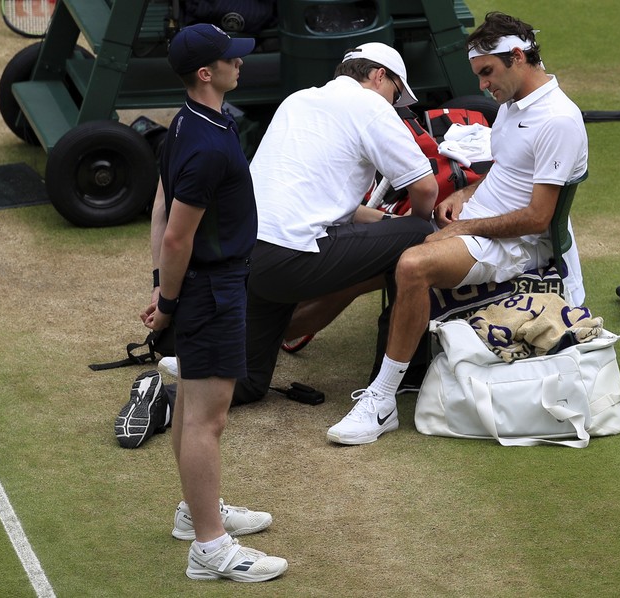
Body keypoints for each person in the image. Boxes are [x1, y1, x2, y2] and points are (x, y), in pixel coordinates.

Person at [326, 11, 589, 445]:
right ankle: (261, 344)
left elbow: (538, 218)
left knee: (411, 264)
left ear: (518, 56)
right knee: (364, 253)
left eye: (487, 73)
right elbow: (507, 173)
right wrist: (462, 196)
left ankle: (383, 400)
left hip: (514, 246)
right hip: (478, 225)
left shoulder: (558, 119)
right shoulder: (512, 106)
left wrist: (463, 229)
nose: (483, 86)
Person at [141, 23, 287, 582]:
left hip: (199, 286)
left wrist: (160, 286)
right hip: (211, 290)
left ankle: (193, 512)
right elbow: (177, 233)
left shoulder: (183, 125)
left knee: (191, 401)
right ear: (207, 72)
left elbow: (160, 208)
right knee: (208, 418)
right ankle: (209, 548)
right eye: (232, 59)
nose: (241, 63)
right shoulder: (208, 143)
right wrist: (171, 301)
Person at [233, 41, 439, 406]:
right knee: (421, 236)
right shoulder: (371, 105)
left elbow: (326, 201)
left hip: (249, 259)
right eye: (395, 94)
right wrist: (415, 228)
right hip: (291, 259)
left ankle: (164, 398)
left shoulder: (297, 100)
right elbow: (425, 188)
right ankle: (400, 379)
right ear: (379, 76)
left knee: (248, 385)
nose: (393, 104)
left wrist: (390, 224)